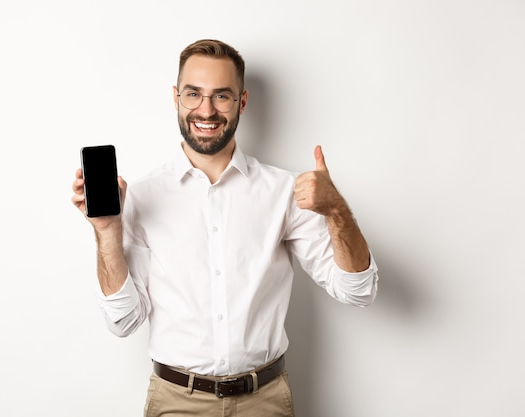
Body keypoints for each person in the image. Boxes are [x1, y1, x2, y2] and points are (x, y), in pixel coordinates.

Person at [71, 39, 378, 417]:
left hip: (264, 402)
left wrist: (336, 211)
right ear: (176, 97)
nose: (206, 109)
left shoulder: (284, 192)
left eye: (222, 96)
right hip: (175, 403)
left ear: (242, 102)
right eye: (193, 94)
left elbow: (358, 291)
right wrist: (106, 231)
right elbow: (123, 320)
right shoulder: (140, 198)